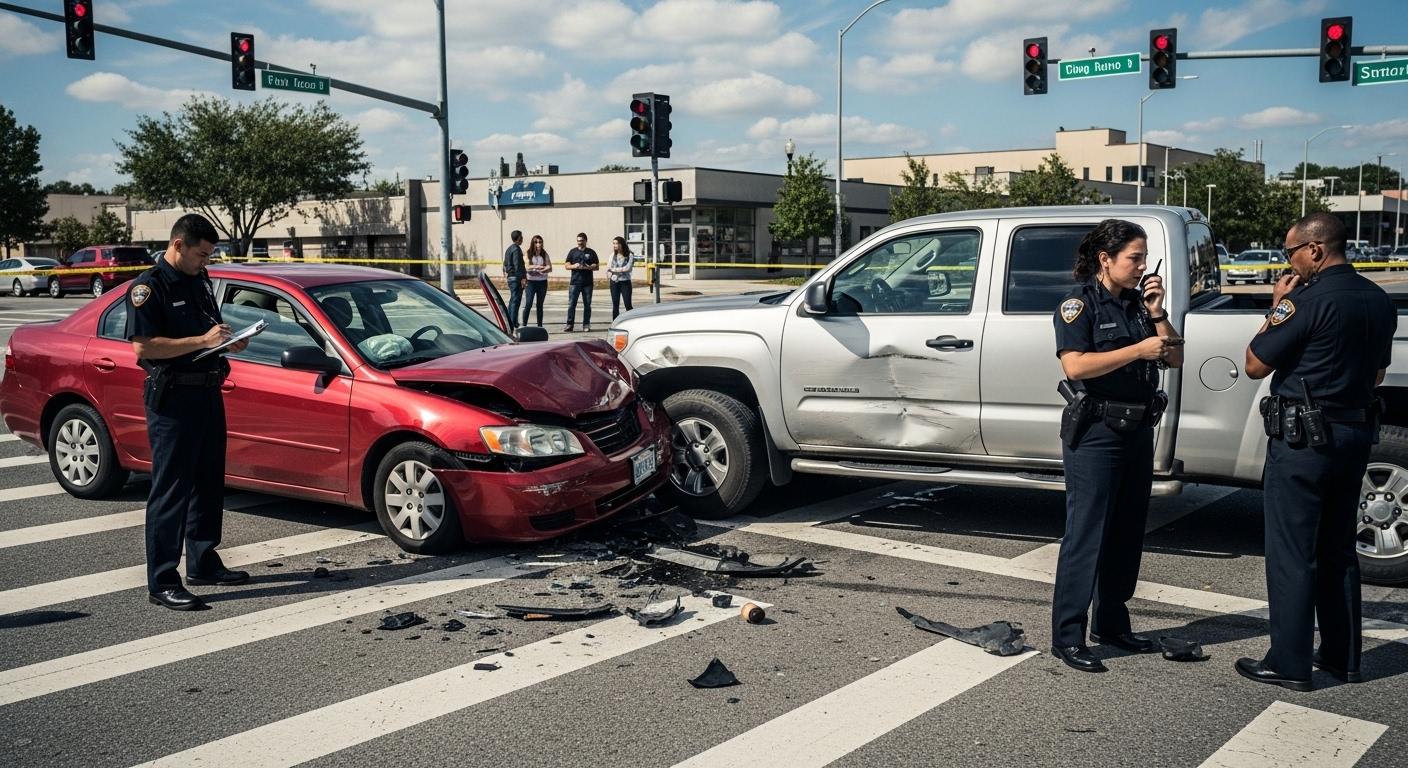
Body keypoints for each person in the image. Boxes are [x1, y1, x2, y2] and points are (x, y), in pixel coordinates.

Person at [1237, 212, 1394, 691]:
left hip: (1304, 442)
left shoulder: (1304, 300)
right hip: (1353, 434)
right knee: (1338, 548)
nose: (1290, 262)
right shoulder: (1379, 299)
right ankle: (1343, 658)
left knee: (1292, 552)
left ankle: (1289, 663)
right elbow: (1377, 374)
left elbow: (1254, 363)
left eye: (1291, 252)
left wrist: (1276, 307)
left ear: (1316, 249)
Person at [1050, 218, 1183, 672]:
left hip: (1138, 429)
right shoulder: (1079, 305)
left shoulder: (1140, 305)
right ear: (1105, 259)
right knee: (1087, 533)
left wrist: (1158, 312)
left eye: (1145, 258)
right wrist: (1137, 350)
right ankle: (1068, 635)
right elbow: (1075, 366)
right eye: (1135, 258)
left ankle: (1111, 623)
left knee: (1127, 532)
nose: (1143, 266)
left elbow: (1175, 356)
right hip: (1098, 432)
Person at [127, 213, 251, 611]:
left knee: (208, 481)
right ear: (178, 245)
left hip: (207, 392)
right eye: (201, 254)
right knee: (172, 489)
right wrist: (202, 340)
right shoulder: (149, 287)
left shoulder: (199, 280)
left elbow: (208, 330)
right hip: (174, 399)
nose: (205, 261)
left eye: (209, 255)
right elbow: (144, 346)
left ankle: (203, 561)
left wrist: (227, 340)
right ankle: (163, 580)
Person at [563, 232, 599, 333]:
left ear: (585, 241)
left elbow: (596, 266)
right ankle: (569, 324)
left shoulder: (591, 252)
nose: (580, 243)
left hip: (587, 283)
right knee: (571, 304)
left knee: (587, 305)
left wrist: (588, 267)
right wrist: (574, 266)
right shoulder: (572, 252)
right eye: (578, 241)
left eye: (582, 241)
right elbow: (566, 265)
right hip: (574, 282)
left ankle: (586, 324)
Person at [522, 234, 551, 327]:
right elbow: (527, 267)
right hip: (531, 282)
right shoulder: (528, 253)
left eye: (540, 242)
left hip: (542, 282)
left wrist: (543, 269)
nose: (538, 244)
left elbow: (549, 267)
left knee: (540, 305)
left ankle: (540, 326)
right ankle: (524, 325)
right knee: (529, 303)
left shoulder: (544, 253)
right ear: (533, 243)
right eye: (536, 242)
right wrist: (538, 266)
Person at [502, 230, 525, 331]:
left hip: (510, 278)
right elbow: (517, 265)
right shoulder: (516, 249)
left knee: (513, 299)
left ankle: (509, 320)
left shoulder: (509, 249)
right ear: (518, 238)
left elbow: (505, 264)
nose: (522, 238)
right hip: (516, 278)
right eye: (521, 237)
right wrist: (522, 278)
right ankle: (512, 322)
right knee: (516, 300)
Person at [608, 236, 634, 319]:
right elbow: (609, 267)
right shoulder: (612, 255)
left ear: (622, 244)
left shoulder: (629, 255)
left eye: (617, 243)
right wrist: (611, 271)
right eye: (614, 243)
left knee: (628, 304)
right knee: (615, 304)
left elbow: (627, 268)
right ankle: (615, 322)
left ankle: (631, 320)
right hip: (614, 282)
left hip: (625, 282)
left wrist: (614, 270)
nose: (615, 245)